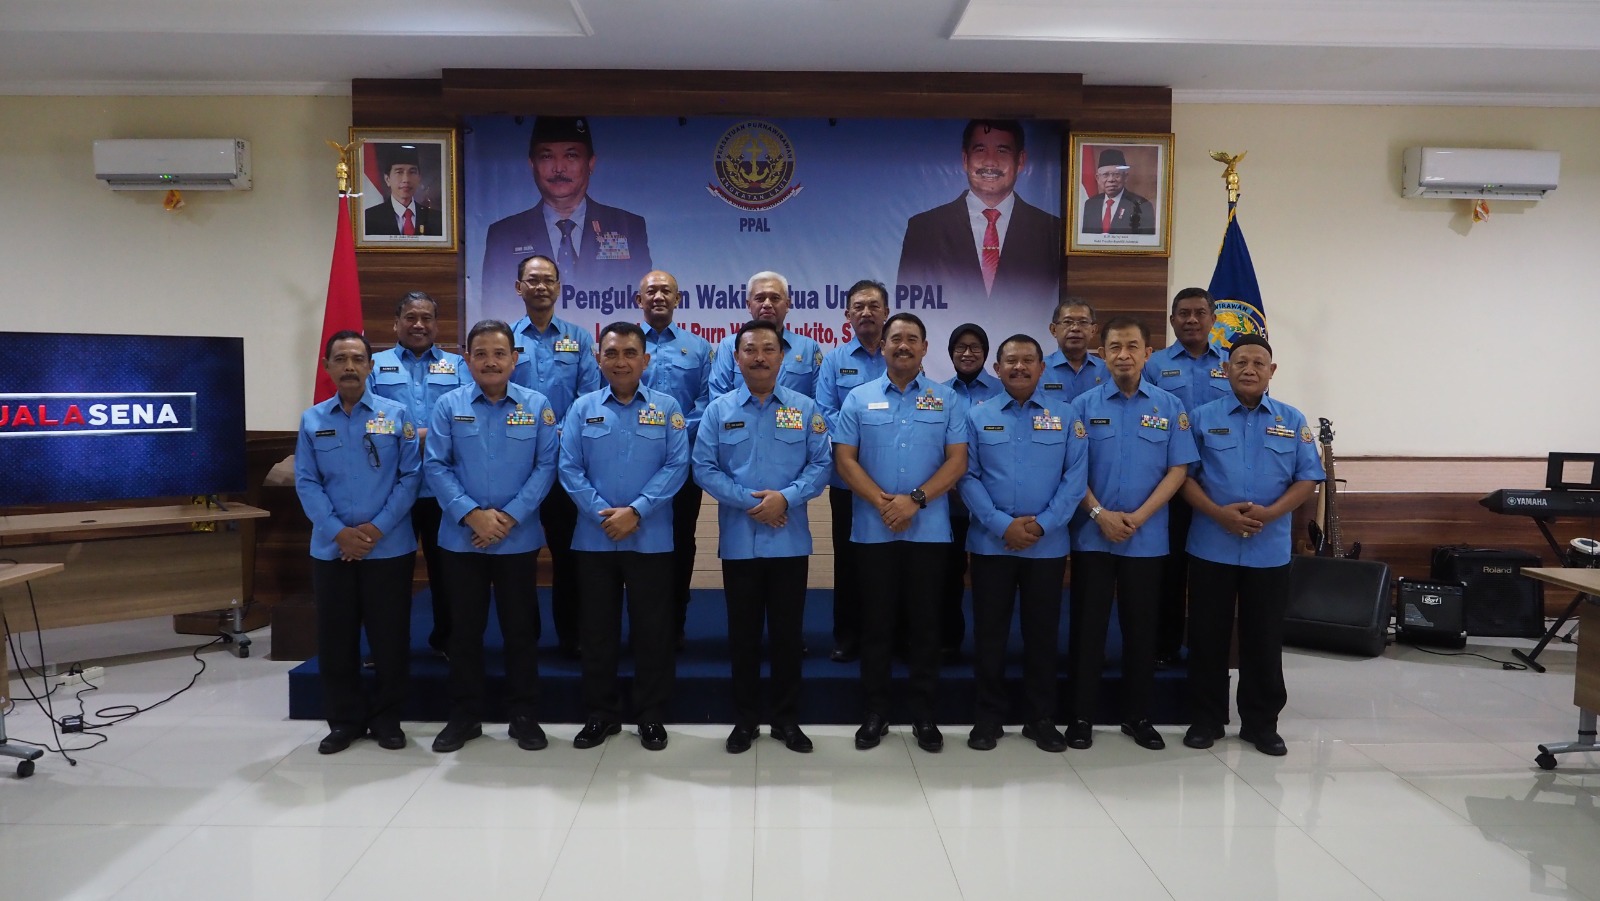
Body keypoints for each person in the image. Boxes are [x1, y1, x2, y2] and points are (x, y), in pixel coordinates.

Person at [1180, 334, 1323, 757]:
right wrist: (1218, 513)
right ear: (1225, 369)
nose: (1249, 369)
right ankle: (1206, 719)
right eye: (1240, 362)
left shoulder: (1292, 419)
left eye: (1259, 363)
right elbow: (1182, 477)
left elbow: (1308, 478)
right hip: (1212, 544)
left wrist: (1273, 512)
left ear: (1271, 371)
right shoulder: (1200, 418)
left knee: (1263, 638)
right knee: (1207, 635)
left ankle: (1261, 724)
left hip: (1268, 549)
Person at [693, 320, 831, 754]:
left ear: (782, 356)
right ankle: (746, 720)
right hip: (739, 539)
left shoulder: (806, 408)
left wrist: (785, 499)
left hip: (790, 540)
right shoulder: (718, 411)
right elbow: (703, 467)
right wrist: (751, 502)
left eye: (768, 349)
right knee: (743, 636)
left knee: (788, 636)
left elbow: (821, 464)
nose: (759, 357)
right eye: (750, 350)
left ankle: (787, 720)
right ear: (736, 358)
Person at [833, 313, 968, 753]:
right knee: (875, 624)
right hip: (873, 531)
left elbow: (957, 461)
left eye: (912, 339)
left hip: (928, 532)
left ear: (925, 347)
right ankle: (875, 712)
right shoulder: (859, 398)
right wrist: (882, 503)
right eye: (896, 339)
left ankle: (924, 714)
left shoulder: (948, 400)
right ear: (883, 346)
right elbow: (845, 459)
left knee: (926, 625)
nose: (903, 345)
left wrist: (915, 500)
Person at [424, 320, 559, 753]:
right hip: (461, 539)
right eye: (480, 354)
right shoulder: (448, 405)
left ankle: (524, 716)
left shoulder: (537, 405)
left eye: (499, 353)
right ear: (466, 359)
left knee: (521, 630)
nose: (490, 362)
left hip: (517, 539)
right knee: (464, 632)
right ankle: (464, 717)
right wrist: (472, 515)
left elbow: (546, 467)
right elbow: (436, 465)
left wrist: (509, 517)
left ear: (514, 359)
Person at [1067, 316, 1197, 751]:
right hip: (1093, 535)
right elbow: (1072, 471)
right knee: (1088, 629)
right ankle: (1081, 716)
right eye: (1115, 347)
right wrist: (1099, 513)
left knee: (1142, 631)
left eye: (1132, 347)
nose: (1124, 355)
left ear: (1148, 354)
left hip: (1147, 537)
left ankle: (1138, 716)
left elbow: (1178, 469)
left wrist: (1139, 517)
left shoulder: (1170, 407)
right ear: (1102, 354)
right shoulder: (1082, 406)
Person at [559, 322, 690, 751]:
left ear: (645, 360)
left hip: (650, 537)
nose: (621, 362)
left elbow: (677, 466)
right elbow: (569, 467)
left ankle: (650, 715)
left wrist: (637, 511)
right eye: (612, 353)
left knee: (653, 630)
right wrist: (603, 513)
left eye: (630, 353)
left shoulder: (667, 408)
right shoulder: (581, 408)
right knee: (597, 630)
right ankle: (601, 713)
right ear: (598, 358)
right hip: (594, 538)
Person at [295, 331, 422, 754]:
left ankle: (387, 719)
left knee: (389, 638)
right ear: (327, 367)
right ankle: (344, 721)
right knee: (336, 639)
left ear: (370, 366)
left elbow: (410, 478)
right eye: (340, 359)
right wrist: (339, 532)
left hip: (388, 547)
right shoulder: (312, 420)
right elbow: (307, 482)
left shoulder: (396, 415)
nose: (349, 367)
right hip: (332, 549)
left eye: (357, 359)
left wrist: (375, 530)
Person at [960, 334, 1087, 752]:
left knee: (1042, 634)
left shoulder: (1066, 416)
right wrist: (1002, 525)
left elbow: (1075, 480)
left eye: (1028, 360)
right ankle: (987, 718)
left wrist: (1043, 526)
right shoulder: (976, 416)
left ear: (1041, 367)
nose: (1019, 367)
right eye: (1011, 361)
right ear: (997, 369)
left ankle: (1040, 718)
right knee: (990, 633)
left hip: (1047, 546)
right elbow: (967, 476)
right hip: (991, 543)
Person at [509, 254, 602, 659]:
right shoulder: (505, 338)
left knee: (568, 554)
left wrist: (555, 436)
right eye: (533, 280)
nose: (541, 286)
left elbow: (588, 399)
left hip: (565, 466)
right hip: (517, 464)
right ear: (519, 288)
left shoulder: (578, 339)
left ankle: (571, 635)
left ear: (559, 287)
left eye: (549, 279)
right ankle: (523, 637)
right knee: (519, 555)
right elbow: (497, 394)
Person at [368, 292, 468, 656]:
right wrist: (428, 434)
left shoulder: (458, 366)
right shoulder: (374, 365)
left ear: (437, 325)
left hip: (446, 491)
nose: (419, 324)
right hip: (393, 491)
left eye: (427, 318)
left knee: (449, 574)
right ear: (396, 323)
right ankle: (388, 650)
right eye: (411, 317)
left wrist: (407, 432)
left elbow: (465, 423)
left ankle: (448, 642)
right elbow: (370, 425)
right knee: (390, 575)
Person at [479, 117, 652, 315]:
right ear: (532, 164)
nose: (559, 168)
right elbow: (493, 312)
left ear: (591, 163)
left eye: (571, 156)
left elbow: (641, 308)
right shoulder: (503, 235)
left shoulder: (627, 227)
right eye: (546, 156)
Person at [1144, 288, 1232, 666]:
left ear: (1213, 319)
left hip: (1219, 484)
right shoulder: (1154, 365)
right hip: (1170, 483)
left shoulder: (1232, 362)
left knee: (1211, 574)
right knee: (1170, 568)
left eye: (1199, 312)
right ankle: (1165, 647)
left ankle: (1206, 650)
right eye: (1183, 313)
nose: (1192, 320)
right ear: (1172, 320)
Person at [897, 119, 1062, 310]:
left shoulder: (1052, 231)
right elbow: (908, 309)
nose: (990, 162)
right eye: (980, 150)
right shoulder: (924, 229)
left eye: (1002, 150)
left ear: (1021, 161)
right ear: (965, 160)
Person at [813, 279, 889, 664]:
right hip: (847, 478)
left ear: (886, 312)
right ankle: (847, 635)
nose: (866, 312)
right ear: (847, 314)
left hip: (893, 477)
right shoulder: (833, 360)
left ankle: (887, 635)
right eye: (858, 306)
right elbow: (824, 412)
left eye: (873, 306)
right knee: (848, 558)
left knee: (888, 560)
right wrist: (860, 441)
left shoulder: (899, 353)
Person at [638, 270, 713, 648]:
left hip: (684, 465)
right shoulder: (625, 344)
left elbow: (707, 401)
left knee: (681, 540)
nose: (658, 296)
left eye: (666, 291)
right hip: (635, 464)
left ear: (678, 299)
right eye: (651, 291)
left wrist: (674, 433)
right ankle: (642, 624)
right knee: (638, 543)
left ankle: (675, 622)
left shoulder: (699, 348)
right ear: (639, 300)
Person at [940, 323, 1002, 665]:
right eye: (960, 347)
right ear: (951, 353)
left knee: (988, 580)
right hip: (948, 503)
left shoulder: (1002, 389)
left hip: (989, 503)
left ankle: (988, 648)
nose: (967, 353)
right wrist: (948, 482)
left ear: (986, 353)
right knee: (948, 577)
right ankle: (949, 640)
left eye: (975, 347)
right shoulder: (936, 393)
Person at [707, 271, 822, 398]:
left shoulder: (808, 347)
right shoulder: (729, 346)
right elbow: (718, 398)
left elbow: (819, 400)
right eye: (760, 298)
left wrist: (784, 411)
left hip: (795, 411)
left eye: (775, 298)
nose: (767, 304)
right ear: (749, 305)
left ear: (787, 305)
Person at [1041, 297, 1109, 407]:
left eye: (1083, 322)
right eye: (1067, 322)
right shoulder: (1039, 370)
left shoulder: (1107, 370)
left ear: (1093, 330)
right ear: (1053, 330)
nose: (1075, 328)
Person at [364, 144, 442, 237]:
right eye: (399, 172)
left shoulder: (436, 219)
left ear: (419, 178)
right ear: (387, 179)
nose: (406, 179)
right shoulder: (370, 218)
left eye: (412, 172)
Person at [1079, 148, 1155, 236]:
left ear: (1125, 177)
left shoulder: (1142, 205)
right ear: (1098, 178)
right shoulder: (1090, 205)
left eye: (1116, 174)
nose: (1111, 179)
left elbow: (1146, 240)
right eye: (1105, 175)